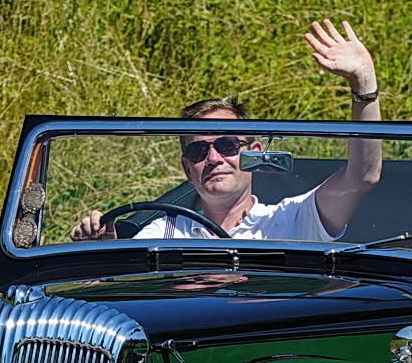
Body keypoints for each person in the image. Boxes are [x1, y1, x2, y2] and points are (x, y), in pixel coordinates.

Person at [70, 19, 383, 242]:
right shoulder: (165, 232)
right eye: (198, 150)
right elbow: (123, 292)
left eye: (227, 145)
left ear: (254, 154)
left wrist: (364, 84)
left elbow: (362, 177)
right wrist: (101, 248)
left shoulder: (292, 220)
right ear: (186, 168)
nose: (213, 158)